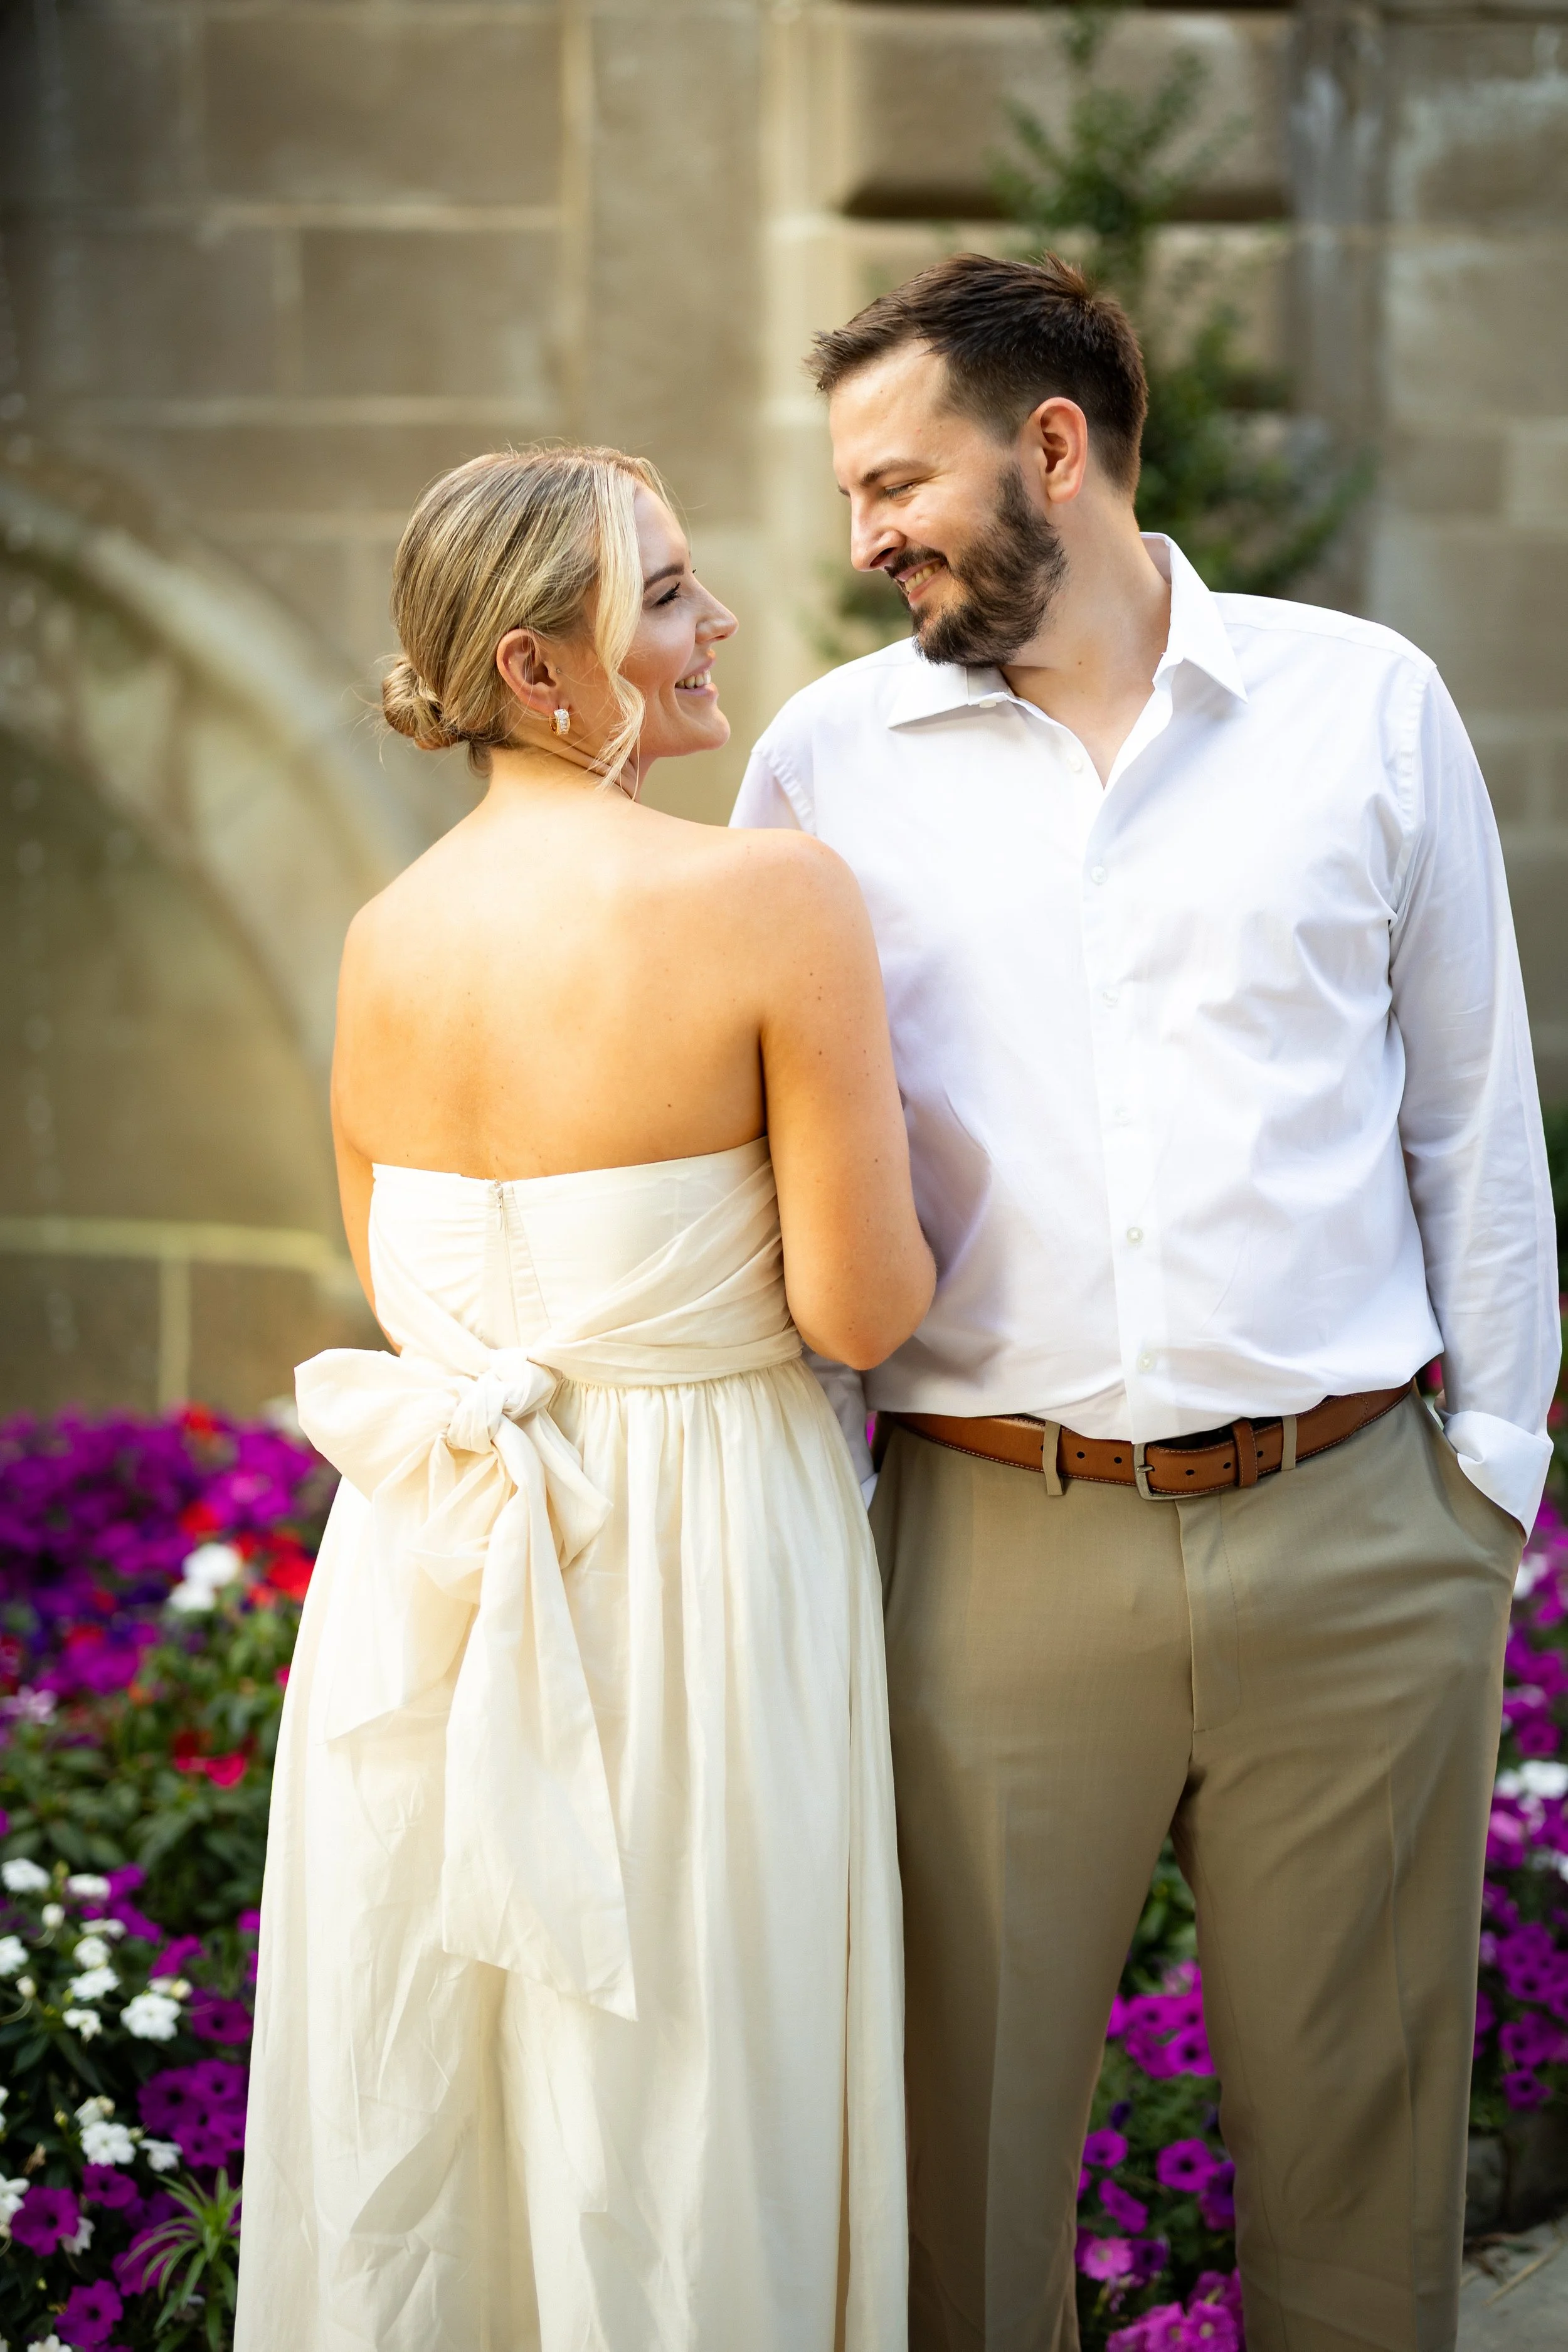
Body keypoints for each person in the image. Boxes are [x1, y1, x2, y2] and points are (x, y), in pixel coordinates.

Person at [731, 253, 1559, 2352]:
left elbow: (1473, 1112)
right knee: (957, 2181)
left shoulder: (1364, 702)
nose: (862, 539)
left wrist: (1485, 1491)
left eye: (895, 481)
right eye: (847, 495)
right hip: (989, 1544)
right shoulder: (827, 764)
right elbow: (757, 1161)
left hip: (1361, 1538)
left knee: (1367, 2184)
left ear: (1054, 448)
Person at [236, 445, 933, 2351]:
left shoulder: (383, 945)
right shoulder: (774, 899)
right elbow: (862, 1308)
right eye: (676, 594)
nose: (719, 631)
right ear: (546, 670)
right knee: (695, 2080)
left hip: (435, 1571)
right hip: (690, 1569)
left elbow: (399, 1287)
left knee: (442, 2095)